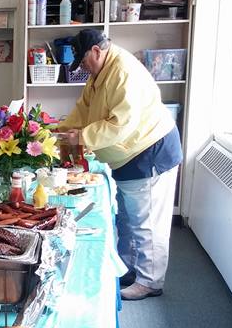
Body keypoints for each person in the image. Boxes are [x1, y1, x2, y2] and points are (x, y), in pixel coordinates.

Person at [60, 29, 182, 301]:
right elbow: (83, 109)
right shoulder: (99, 72)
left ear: (96, 51)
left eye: (83, 61)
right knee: (128, 218)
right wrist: (62, 131)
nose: (82, 67)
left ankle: (150, 281)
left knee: (146, 222)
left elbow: (120, 124)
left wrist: (82, 137)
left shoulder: (123, 71)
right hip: (129, 155)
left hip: (149, 151)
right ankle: (130, 270)